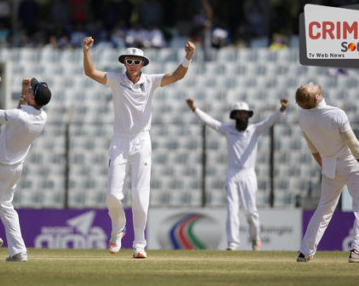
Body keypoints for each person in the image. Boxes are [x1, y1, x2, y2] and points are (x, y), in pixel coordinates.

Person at [83, 36, 195, 258]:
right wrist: (86, 51)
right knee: (113, 195)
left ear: (143, 64)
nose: (133, 65)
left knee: (140, 197)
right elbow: (91, 73)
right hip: (119, 140)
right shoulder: (115, 79)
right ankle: (118, 229)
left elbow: (177, 75)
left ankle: (139, 244)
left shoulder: (151, 81)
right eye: (129, 61)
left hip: (142, 140)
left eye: (137, 61)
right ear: (124, 62)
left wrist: (188, 57)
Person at [186, 97, 289, 251]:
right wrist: (195, 109)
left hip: (248, 173)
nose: (242, 116)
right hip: (232, 174)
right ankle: (233, 243)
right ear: (234, 116)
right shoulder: (228, 130)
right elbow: (211, 122)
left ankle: (256, 238)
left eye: (244, 114)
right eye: (239, 114)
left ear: (248, 116)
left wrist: (281, 109)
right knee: (232, 209)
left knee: (250, 211)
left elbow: (269, 121)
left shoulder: (254, 129)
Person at [0, 75, 51, 262]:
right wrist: (24, 93)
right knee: (5, 206)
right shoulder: (42, 117)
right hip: (14, 170)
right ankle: (18, 251)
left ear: (33, 98)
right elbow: (22, 113)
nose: (28, 89)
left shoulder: (18, 116)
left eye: (30, 90)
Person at [295, 82, 359, 263]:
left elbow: (313, 149)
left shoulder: (303, 117)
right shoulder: (336, 114)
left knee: (323, 210)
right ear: (317, 97)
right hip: (352, 164)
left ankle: (305, 251)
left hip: (329, 166)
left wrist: (326, 166)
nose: (310, 83)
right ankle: (357, 251)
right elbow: (353, 144)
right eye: (310, 86)